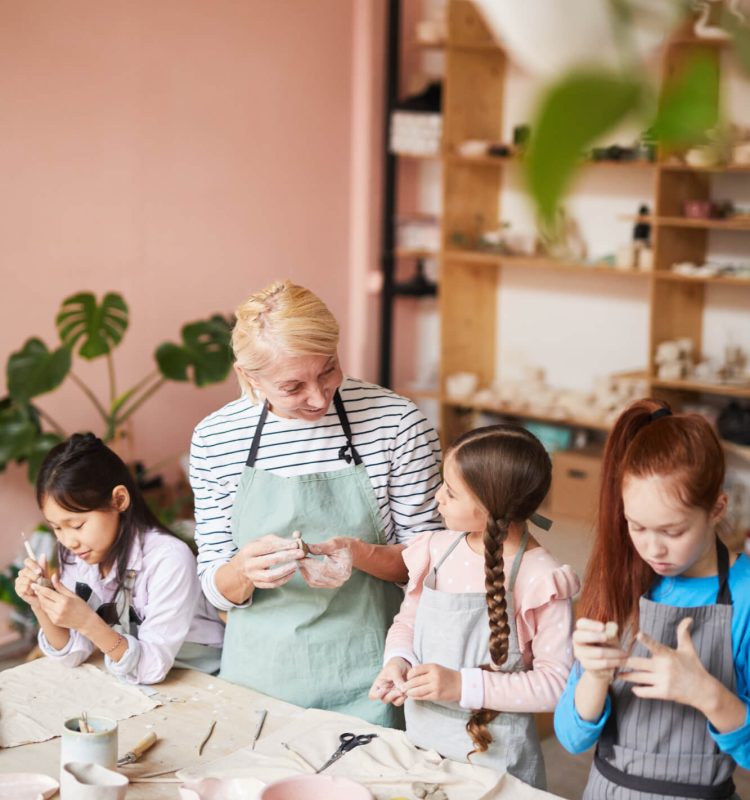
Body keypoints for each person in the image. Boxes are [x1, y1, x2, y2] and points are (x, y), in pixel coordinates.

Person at [189, 280, 441, 726]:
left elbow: (434, 566)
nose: (318, 397)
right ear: (250, 377)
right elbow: (213, 587)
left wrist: (360, 554)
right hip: (259, 677)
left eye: (328, 370)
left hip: (374, 675)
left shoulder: (396, 422)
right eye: (292, 386)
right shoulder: (216, 439)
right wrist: (243, 571)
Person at [554, 399, 750, 798]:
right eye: (637, 527)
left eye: (673, 532)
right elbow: (572, 739)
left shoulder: (744, 595)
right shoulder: (621, 579)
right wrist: (594, 675)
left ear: (717, 508)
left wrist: (706, 694)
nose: (652, 549)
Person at [369, 424, 579, 787]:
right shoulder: (437, 549)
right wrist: (398, 661)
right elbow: (408, 621)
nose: (437, 497)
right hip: (422, 747)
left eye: (450, 492)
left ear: (487, 506)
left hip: (497, 766)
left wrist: (461, 685)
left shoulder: (541, 579)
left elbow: (556, 685)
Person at [15, 433, 224, 684]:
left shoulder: (168, 559)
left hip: (203, 680)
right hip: (143, 682)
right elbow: (73, 653)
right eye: (57, 528)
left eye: (77, 525)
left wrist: (88, 623)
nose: (68, 541)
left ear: (119, 500)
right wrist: (39, 604)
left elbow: (150, 668)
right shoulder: (75, 556)